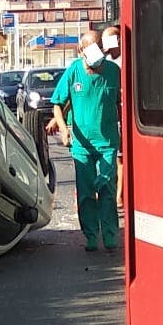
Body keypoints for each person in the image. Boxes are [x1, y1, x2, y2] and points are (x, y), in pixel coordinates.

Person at [49, 30, 121, 251]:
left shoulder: (113, 71)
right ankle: (91, 235)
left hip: (107, 142)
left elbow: (120, 103)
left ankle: (110, 235)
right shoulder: (73, 71)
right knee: (86, 191)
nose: (95, 52)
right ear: (81, 51)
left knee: (107, 187)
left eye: (99, 46)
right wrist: (62, 128)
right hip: (82, 146)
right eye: (90, 48)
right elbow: (58, 103)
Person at [101, 26, 124, 210]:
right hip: (108, 116)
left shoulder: (125, 59)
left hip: (121, 113)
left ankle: (118, 198)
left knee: (119, 159)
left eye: (109, 40)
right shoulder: (104, 61)